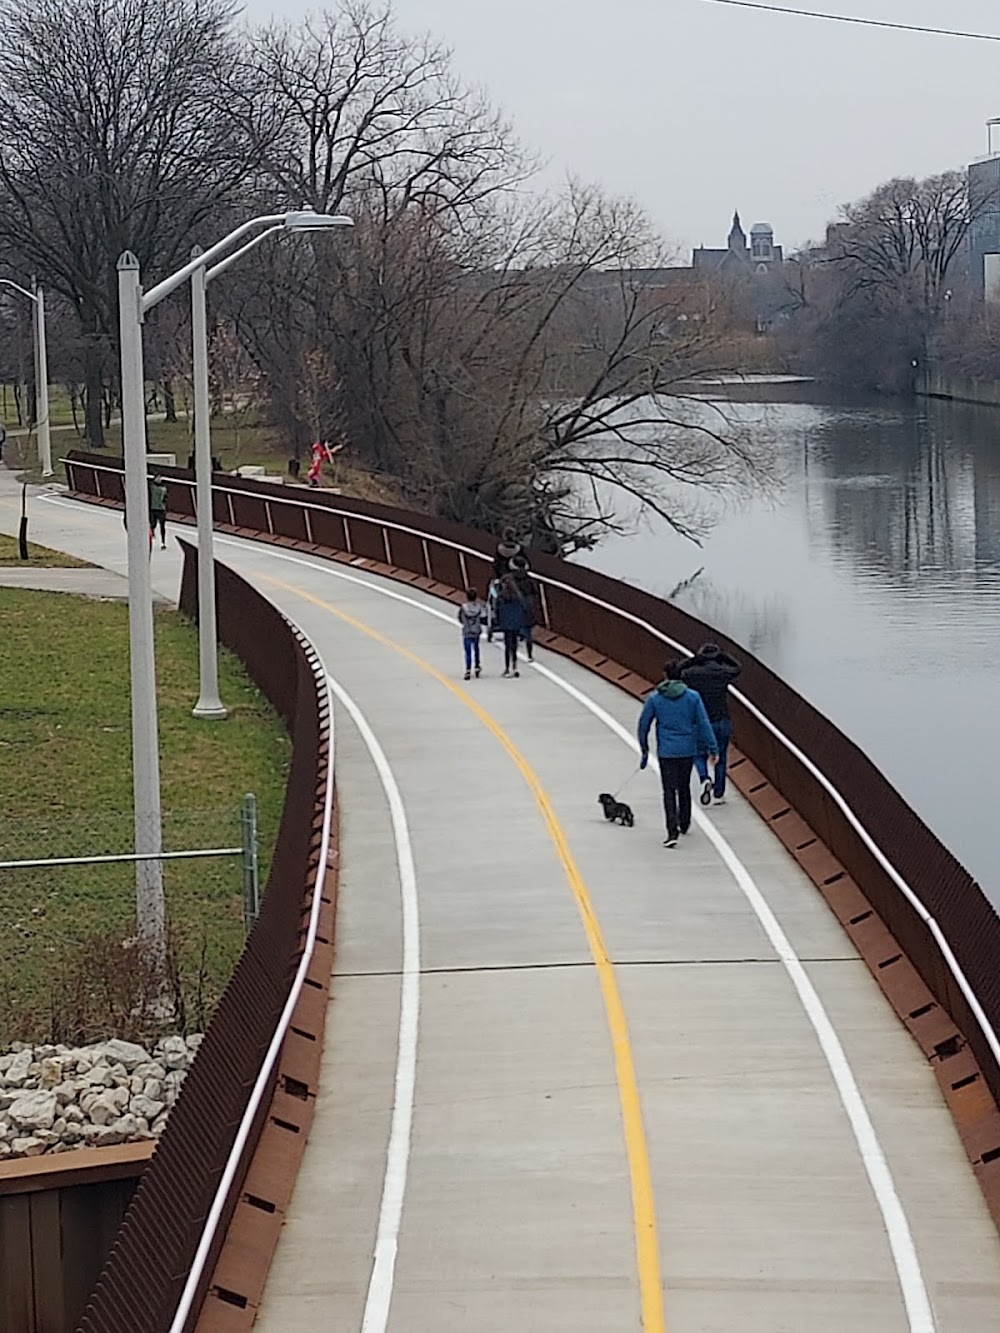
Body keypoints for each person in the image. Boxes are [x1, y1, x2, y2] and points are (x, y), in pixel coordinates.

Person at [638, 661, 718, 848]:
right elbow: (704, 723)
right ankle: (685, 822)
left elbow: (644, 725)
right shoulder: (693, 697)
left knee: (668, 791)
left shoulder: (655, 698)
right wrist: (712, 748)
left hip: (666, 751)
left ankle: (671, 831)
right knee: (684, 786)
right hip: (687, 750)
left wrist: (644, 748)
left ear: (665, 675)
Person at [679, 643, 742, 805]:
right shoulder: (722, 672)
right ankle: (719, 794)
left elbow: (677, 670)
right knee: (721, 755)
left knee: (699, 753)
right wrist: (723, 655)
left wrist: (694, 659)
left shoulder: (692, 674)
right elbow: (737, 667)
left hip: (702, 721)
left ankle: (704, 778)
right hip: (722, 720)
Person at [495, 574, 528, 677]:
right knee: (514, 645)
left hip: (506, 622)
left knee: (507, 645)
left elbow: (497, 608)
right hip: (516, 622)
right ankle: (515, 666)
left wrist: (498, 620)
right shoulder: (518, 596)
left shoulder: (501, 596)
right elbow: (523, 608)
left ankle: (507, 668)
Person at [508, 555, 538, 662]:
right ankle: (529, 655)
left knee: (513, 631)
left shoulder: (509, 579)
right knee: (528, 632)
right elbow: (535, 592)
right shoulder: (529, 579)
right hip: (528, 606)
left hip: (514, 605)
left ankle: (513, 655)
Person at [457, 587, 487, 680]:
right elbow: (484, 617)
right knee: (476, 649)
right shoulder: (479, 607)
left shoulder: (463, 608)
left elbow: (460, 618)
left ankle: (468, 669)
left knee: (468, 651)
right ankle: (477, 666)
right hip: (476, 631)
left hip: (467, 631)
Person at [149, 476, 168, 550]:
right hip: (160, 509)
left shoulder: (152, 488)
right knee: (161, 526)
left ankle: (154, 535)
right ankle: (163, 542)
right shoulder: (164, 489)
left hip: (154, 509)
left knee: (153, 524)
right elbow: (165, 499)